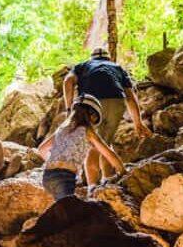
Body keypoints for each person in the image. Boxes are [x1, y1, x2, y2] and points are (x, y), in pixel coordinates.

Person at [63, 46, 150, 180]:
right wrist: (138, 123)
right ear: (108, 59)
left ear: (92, 59)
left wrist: (69, 109)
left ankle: (92, 188)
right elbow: (130, 97)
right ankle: (108, 179)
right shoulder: (117, 68)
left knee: (92, 144)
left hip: (91, 102)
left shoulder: (83, 66)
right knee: (105, 143)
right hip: (116, 101)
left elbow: (68, 81)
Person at [38, 94, 125, 199]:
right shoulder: (88, 131)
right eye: (95, 119)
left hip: (47, 176)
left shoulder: (62, 129)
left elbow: (42, 149)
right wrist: (123, 171)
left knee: (59, 208)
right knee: (67, 211)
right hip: (65, 177)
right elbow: (107, 153)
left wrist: (55, 162)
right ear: (92, 116)